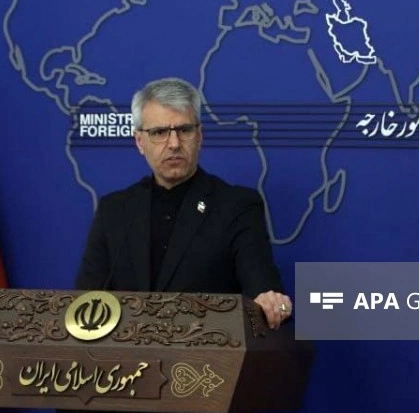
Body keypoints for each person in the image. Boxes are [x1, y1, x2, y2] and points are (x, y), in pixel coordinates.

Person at [74, 77, 292, 329]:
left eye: (184, 130)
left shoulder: (237, 207)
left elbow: (266, 294)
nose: (174, 144)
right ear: (139, 142)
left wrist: (274, 304)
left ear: (200, 136)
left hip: (209, 349)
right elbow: (84, 305)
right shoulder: (114, 211)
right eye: (159, 133)